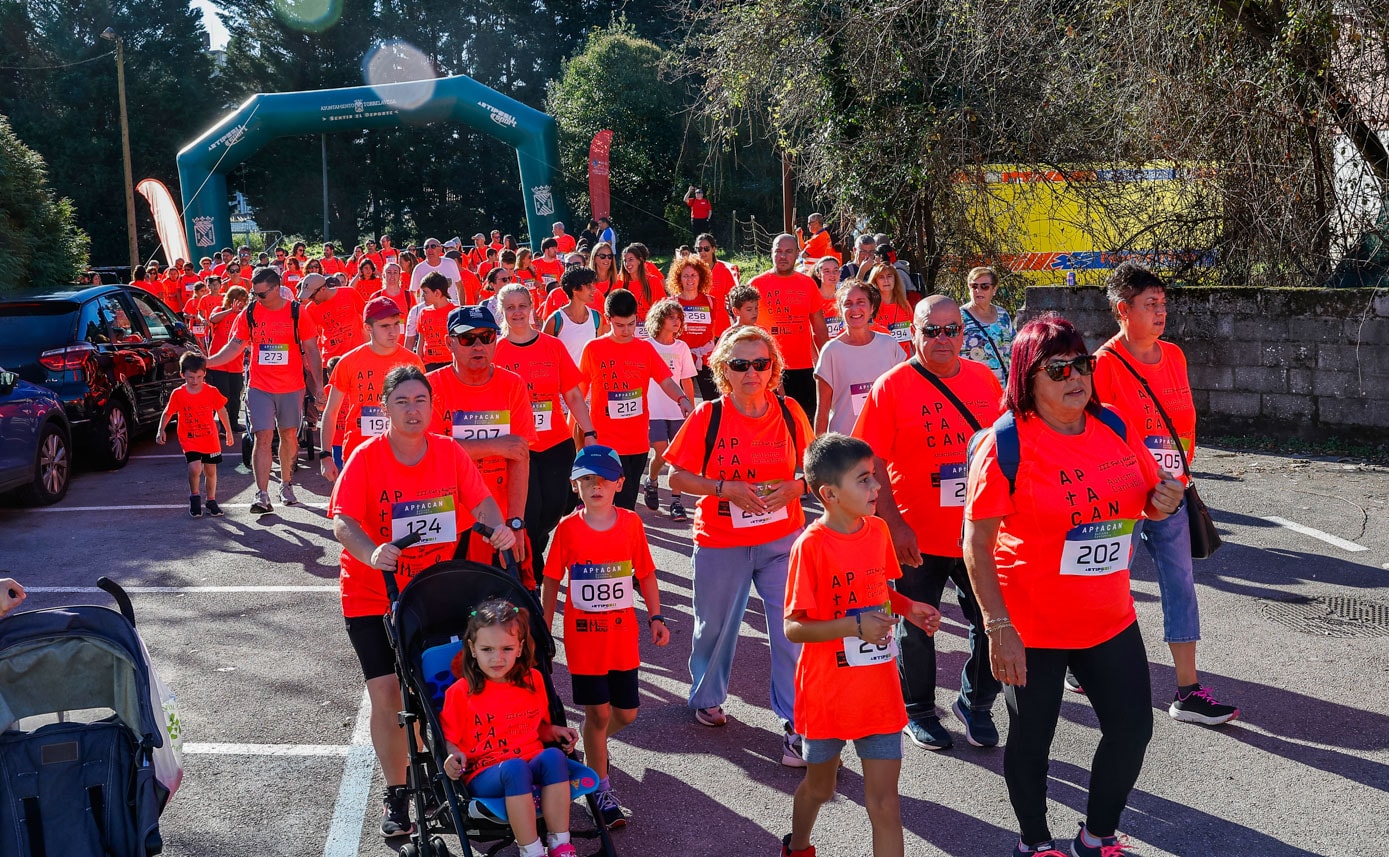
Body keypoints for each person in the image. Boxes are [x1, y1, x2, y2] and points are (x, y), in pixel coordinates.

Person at [962, 314, 1183, 857]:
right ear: (1027, 378)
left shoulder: (1113, 426)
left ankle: (1096, 834)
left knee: (1133, 729)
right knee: (1033, 740)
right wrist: (998, 628)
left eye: (1081, 364)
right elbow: (976, 544)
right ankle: (1034, 843)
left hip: (1109, 616)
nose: (1074, 377)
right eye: (1057, 368)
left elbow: (1152, 496)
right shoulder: (1006, 445)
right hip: (1032, 623)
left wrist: (1165, 499)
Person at [330, 366, 516, 839]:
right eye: (402, 402)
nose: (413, 410)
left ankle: (433, 778)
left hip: (428, 592)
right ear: (386, 409)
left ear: (432, 406)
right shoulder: (367, 457)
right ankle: (398, 794)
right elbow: (342, 521)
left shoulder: (450, 452)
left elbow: (481, 504)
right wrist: (372, 551)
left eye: (420, 401)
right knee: (390, 694)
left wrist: (499, 528)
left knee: (430, 689)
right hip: (372, 593)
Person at [854, 296, 1005, 752]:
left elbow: (1003, 448)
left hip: (976, 530)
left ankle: (976, 703)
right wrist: (894, 524)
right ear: (914, 334)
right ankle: (918, 711)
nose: (943, 339)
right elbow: (870, 461)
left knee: (990, 619)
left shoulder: (982, 378)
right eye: (932, 330)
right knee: (918, 624)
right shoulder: (892, 385)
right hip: (917, 533)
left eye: (952, 329)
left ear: (964, 332)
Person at [781, 433, 942, 857]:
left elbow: (880, 594)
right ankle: (797, 847)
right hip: (828, 693)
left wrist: (909, 608)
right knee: (821, 787)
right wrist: (854, 626)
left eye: (874, 477)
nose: (877, 489)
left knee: (886, 804)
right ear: (829, 494)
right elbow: (793, 627)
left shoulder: (878, 531)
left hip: (879, 692)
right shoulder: (810, 546)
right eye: (864, 481)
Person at [1092, 262, 1238, 724]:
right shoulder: (1103, 364)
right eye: (1150, 305)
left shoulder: (1174, 355)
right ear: (1122, 310)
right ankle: (1089, 660)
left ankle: (1188, 690)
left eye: (1163, 304)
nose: (1160, 313)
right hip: (1125, 497)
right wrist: (1138, 484)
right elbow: (1097, 435)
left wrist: (1177, 479)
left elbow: (1183, 423)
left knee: (1181, 585)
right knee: (1111, 582)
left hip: (1173, 493)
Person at [664, 326, 814, 766]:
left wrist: (797, 486)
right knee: (714, 627)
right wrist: (723, 488)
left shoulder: (789, 413)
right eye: (740, 364)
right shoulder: (708, 416)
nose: (752, 372)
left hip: (782, 538)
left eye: (762, 363)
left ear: (774, 368)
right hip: (722, 541)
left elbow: (814, 470)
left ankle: (796, 724)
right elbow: (676, 477)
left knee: (792, 630)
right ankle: (708, 696)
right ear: (723, 370)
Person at [541, 445, 670, 829]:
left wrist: (656, 616)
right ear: (575, 485)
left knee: (626, 714)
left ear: (620, 483)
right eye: (587, 480)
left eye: (603, 480)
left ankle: (594, 745)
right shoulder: (567, 528)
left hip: (621, 637)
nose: (596, 486)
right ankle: (601, 788)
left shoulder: (631, 523)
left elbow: (645, 573)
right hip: (584, 641)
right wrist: (545, 630)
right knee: (597, 713)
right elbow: (550, 580)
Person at [440, 600, 580, 857]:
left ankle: (560, 844)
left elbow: (537, 728)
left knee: (554, 755)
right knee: (515, 768)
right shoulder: (460, 693)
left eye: (507, 648)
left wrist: (555, 732)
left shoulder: (533, 680)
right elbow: (450, 741)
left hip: (529, 760)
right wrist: (452, 756)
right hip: (485, 772)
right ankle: (531, 850)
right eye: (487, 649)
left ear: (520, 648)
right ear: (472, 649)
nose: (497, 657)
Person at [428, 306, 538, 585]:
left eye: (487, 336)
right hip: (444, 519)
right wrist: (496, 445)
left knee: (501, 611)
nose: (479, 345)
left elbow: (520, 458)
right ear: (448, 342)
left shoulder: (512, 385)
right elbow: (429, 452)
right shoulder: (430, 387)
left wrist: (516, 522)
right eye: (467, 339)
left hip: (498, 520)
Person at [205, 267, 324, 515]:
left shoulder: (296, 312)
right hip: (260, 386)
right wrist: (207, 362)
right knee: (263, 437)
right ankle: (262, 495)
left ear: (277, 288)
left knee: (289, 436)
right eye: (254, 294)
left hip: (291, 386)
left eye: (261, 294)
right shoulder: (249, 313)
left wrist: (319, 386)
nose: (256, 298)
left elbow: (312, 350)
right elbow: (234, 347)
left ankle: (287, 484)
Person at [494, 283, 597, 568]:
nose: (517, 312)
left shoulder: (552, 346)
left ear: (532, 308)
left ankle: (532, 549)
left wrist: (589, 433)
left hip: (555, 444)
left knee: (554, 508)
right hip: (515, 448)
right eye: (510, 307)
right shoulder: (495, 351)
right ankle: (531, 570)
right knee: (529, 512)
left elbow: (573, 394)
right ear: (502, 312)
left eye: (522, 306)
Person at [578, 289, 693, 510]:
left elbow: (666, 381)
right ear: (608, 319)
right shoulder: (594, 349)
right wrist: (583, 434)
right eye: (620, 325)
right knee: (610, 504)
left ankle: (622, 541)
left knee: (628, 502)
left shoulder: (644, 348)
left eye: (631, 324)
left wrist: (682, 398)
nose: (626, 331)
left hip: (637, 441)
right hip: (605, 441)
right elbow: (578, 395)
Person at [319, 297, 427, 479]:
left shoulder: (413, 361)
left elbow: (423, 410)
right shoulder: (348, 362)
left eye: (396, 324)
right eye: (385, 326)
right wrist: (325, 456)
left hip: (403, 454)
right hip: (360, 452)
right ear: (368, 328)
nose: (393, 332)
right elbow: (331, 412)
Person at [752, 234, 830, 422]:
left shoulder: (808, 284)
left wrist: (828, 361)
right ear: (771, 253)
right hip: (766, 367)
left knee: (804, 421)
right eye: (778, 251)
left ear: (797, 254)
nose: (783, 256)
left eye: (788, 252)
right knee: (770, 422)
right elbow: (746, 328)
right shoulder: (756, 285)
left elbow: (819, 328)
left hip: (803, 367)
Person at [814, 281, 903, 436]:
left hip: (886, 441)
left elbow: (903, 398)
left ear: (872, 307)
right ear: (840, 310)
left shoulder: (889, 344)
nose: (855, 309)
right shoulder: (831, 351)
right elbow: (822, 411)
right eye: (848, 303)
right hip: (846, 447)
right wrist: (818, 454)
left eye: (861, 302)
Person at [155, 353, 235, 518]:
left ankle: (211, 500)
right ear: (182, 375)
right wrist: (160, 430)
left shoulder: (211, 392)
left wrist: (228, 430)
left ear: (204, 374)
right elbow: (168, 412)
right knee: (195, 467)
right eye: (191, 377)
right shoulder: (178, 394)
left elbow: (222, 411)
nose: (195, 381)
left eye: (199, 376)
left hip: (209, 438)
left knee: (211, 470)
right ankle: (195, 496)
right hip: (189, 438)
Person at [642, 299, 697, 521]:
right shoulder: (647, 346)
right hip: (653, 410)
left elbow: (687, 381)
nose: (676, 322)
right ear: (660, 319)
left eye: (679, 318)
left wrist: (692, 411)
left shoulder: (681, 347)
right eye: (671, 317)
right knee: (662, 453)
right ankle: (652, 480)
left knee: (678, 459)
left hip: (677, 412)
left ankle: (676, 502)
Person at [667, 256, 727, 402]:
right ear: (679, 278)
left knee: (712, 401)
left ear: (701, 277)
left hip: (705, 359)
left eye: (693, 275)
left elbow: (711, 332)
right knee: (683, 401)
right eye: (685, 276)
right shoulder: (671, 303)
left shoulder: (710, 301)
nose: (690, 279)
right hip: (680, 358)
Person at [961, 266, 1016, 384]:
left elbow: (1014, 349)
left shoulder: (1003, 315)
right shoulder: (958, 316)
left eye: (984, 286)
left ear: (994, 289)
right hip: (972, 385)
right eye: (974, 286)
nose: (978, 290)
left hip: (1002, 387)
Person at [543, 267, 606, 366]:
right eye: (588, 285)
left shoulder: (597, 318)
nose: (594, 289)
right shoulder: (555, 320)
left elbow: (596, 354)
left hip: (588, 380)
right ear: (575, 289)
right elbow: (544, 356)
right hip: (564, 380)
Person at [206, 286, 248, 432]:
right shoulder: (220, 310)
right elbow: (212, 319)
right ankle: (223, 425)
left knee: (235, 394)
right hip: (218, 362)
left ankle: (233, 422)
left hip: (236, 362)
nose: (241, 303)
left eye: (244, 300)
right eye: (239, 300)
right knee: (222, 395)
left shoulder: (244, 315)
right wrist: (231, 310)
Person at [300, 273, 368, 364]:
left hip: (356, 355)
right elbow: (307, 337)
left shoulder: (349, 293)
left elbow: (368, 318)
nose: (310, 300)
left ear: (323, 289)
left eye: (312, 296)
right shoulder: (310, 309)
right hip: (331, 360)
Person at [408, 273, 456, 371]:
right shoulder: (423, 312)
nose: (422, 296)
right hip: (429, 364)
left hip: (452, 362)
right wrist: (419, 365)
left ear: (437, 293)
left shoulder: (456, 312)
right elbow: (421, 341)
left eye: (425, 292)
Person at [865, 262, 915, 354]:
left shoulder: (905, 304)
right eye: (881, 277)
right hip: (878, 359)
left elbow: (914, 337)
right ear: (875, 281)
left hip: (903, 359)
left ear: (895, 279)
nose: (886, 280)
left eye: (889, 276)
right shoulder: (869, 308)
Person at [617, 243, 660, 327]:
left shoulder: (653, 281)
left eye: (630, 259)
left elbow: (661, 307)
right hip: (628, 330)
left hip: (650, 328)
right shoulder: (619, 282)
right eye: (625, 260)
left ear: (639, 260)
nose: (627, 263)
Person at [694, 232, 739, 311]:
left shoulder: (723, 270)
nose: (702, 252)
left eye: (706, 248)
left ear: (713, 249)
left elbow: (733, 296)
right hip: (698, 316)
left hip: (719, 318)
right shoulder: (691, 271)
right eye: (699, 249)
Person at [810, 256, 843, 339]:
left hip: (842, 346)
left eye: (835, 270)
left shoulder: (845, 297)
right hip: (820, 347)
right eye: (827, 271)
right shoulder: (811, 298)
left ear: (839, 273)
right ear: (818, 275)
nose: (832, 275)